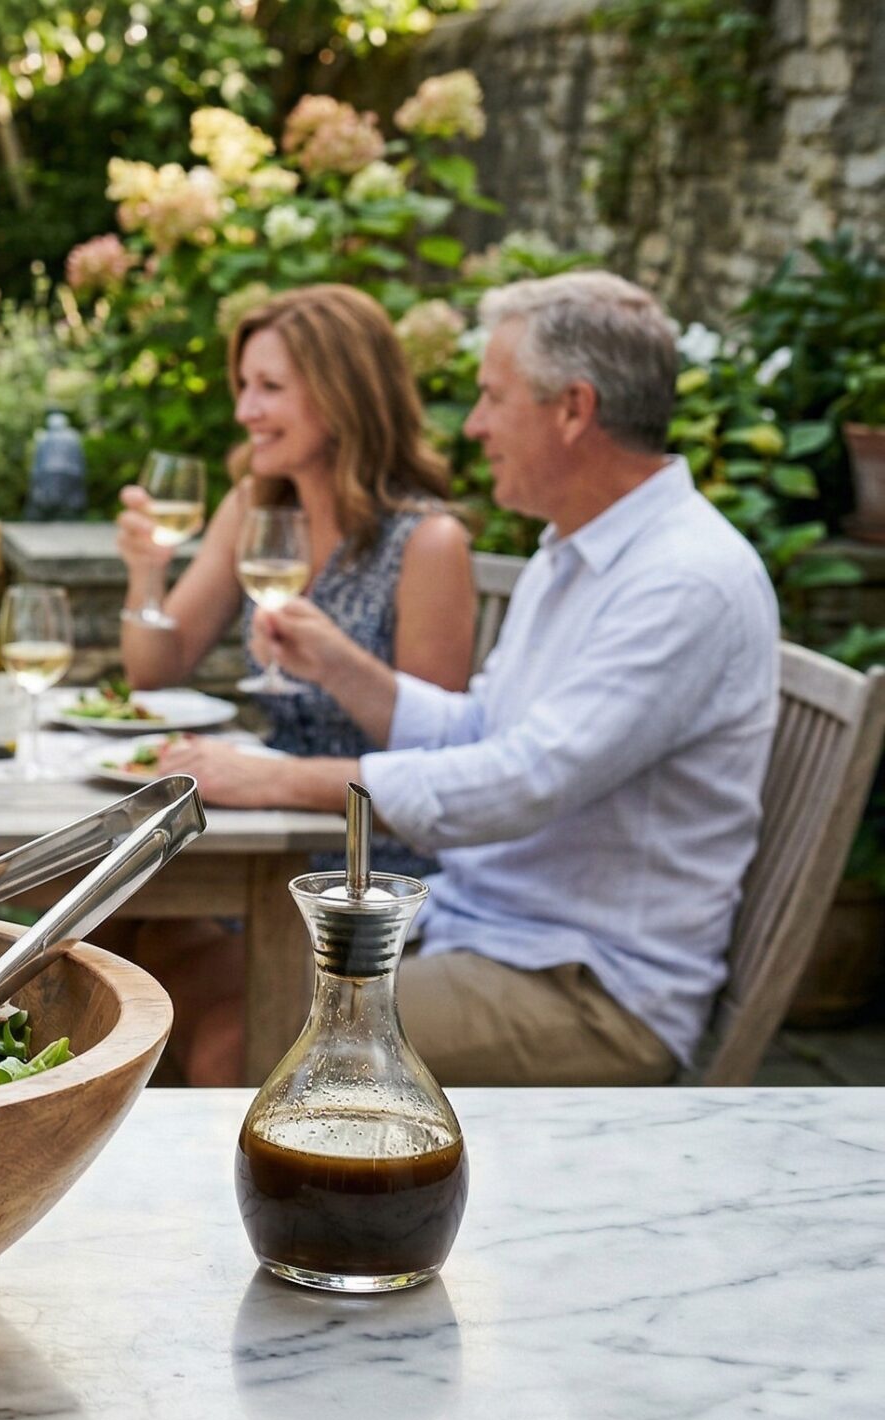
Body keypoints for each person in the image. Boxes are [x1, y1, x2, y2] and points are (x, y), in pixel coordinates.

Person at [168, 271, 779, 1088]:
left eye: (494, 397)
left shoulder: (684, 580)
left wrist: (281, 778)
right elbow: (486, 727)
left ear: (573, 409)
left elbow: (520, 782)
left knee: (249, 1034)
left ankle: (293, 1215)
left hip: (585, 986)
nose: (477, 425)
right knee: (150, 966)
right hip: (481, 929)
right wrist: (344, 668)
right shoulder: (573, 554)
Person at [123, 285, 476, 877]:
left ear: (343, 397)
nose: (245, 412)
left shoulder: (426, 542)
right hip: (252, 828)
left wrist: (335, 665)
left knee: (125, 935)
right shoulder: (251, 508)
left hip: (363, 865)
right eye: (244, 387)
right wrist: (146, 576)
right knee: (103, 923)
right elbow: (155, 668)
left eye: (270, 388)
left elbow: (430, 759)